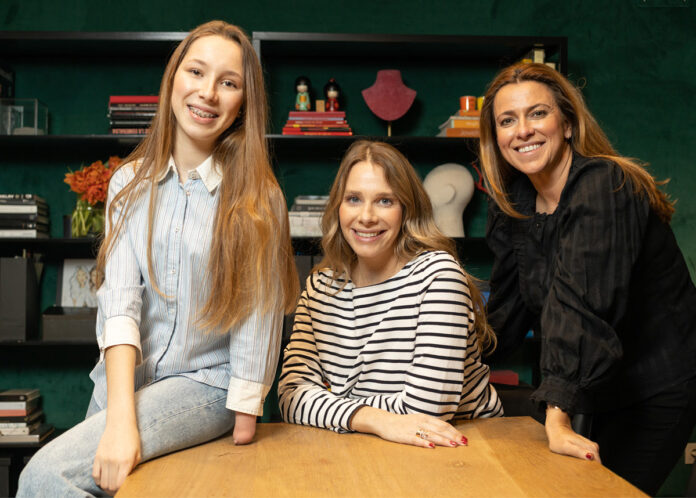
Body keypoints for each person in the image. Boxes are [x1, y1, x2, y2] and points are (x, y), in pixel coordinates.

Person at [18, 20, 298, 497]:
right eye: (196, 72)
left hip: (205, 387)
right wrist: (118, 419)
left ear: (243, 103)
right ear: (173, 79)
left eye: (228, 82)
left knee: (43, 477)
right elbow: (120, 306)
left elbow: (260, 313)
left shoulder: (258, 196)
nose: (208, 92)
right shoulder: (128, 183)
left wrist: (245, 415)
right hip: (123, 383)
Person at [479, 62, 696, 495]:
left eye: (537, 113)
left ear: (568, 124)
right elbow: (505, 313)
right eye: (507, 120)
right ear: (496, 138)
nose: (523, 130)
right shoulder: (516, 205)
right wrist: (441, 364)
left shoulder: (604, 186)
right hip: (595, 387)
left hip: (657, 385)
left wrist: (557, 418)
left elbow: (579, 306)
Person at [278, 140, 502, 449]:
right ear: (338, 208)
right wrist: (373, 419)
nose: (366, 216)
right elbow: (291, 397)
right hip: (368, 443)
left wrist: (332, 402)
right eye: (354, 199)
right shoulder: (320, 288)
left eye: (385, 201)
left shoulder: (438, 276)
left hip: (469, 447)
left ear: (406, 209)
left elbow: (427, 409)